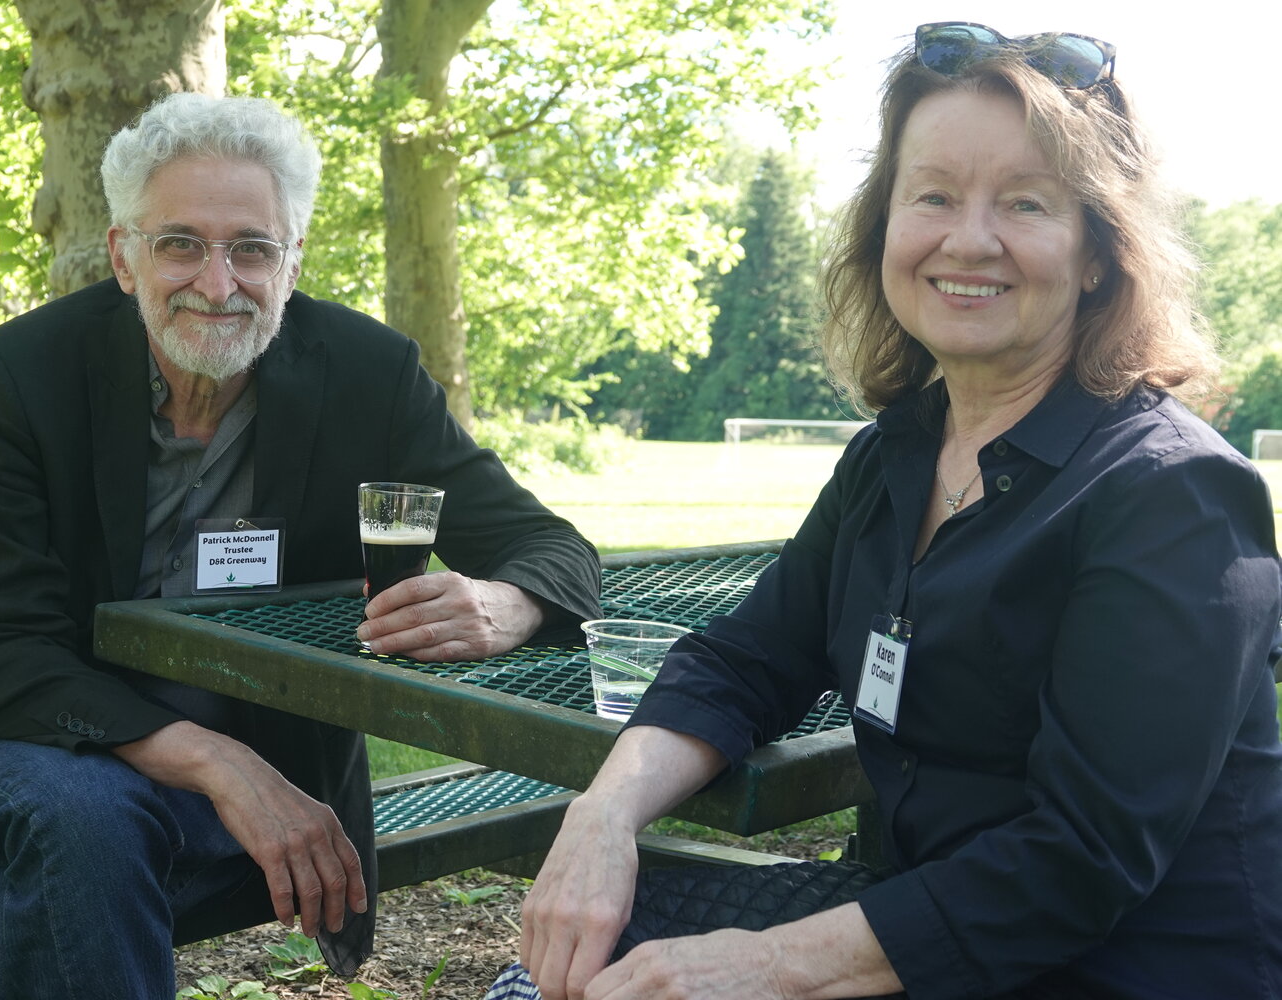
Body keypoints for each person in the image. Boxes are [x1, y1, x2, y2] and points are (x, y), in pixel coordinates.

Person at [499, 21, 1282, 1000]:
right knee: (566, 961)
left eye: (1027, 203)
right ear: (885, 233)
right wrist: (602, 819)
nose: (969, 237)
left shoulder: (1172, 494)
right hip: (916, 932)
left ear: (1097, 256)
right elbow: (745, 659)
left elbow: (1080, 858)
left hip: (1121, 968)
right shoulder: (893, 458)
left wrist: (770, 963)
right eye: (935, 196)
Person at [0, 92, 603, 999]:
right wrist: (225, 769)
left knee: (6, 910)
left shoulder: (369, 374)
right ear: (124, 258)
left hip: (239, 755)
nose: (218, 284)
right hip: (20, 726)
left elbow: (549, 547)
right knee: (84, 816)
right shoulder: (24, 373)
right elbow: (1, 644)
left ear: (293, 262)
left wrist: (505, 602)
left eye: (252, 247)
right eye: (181, 243)